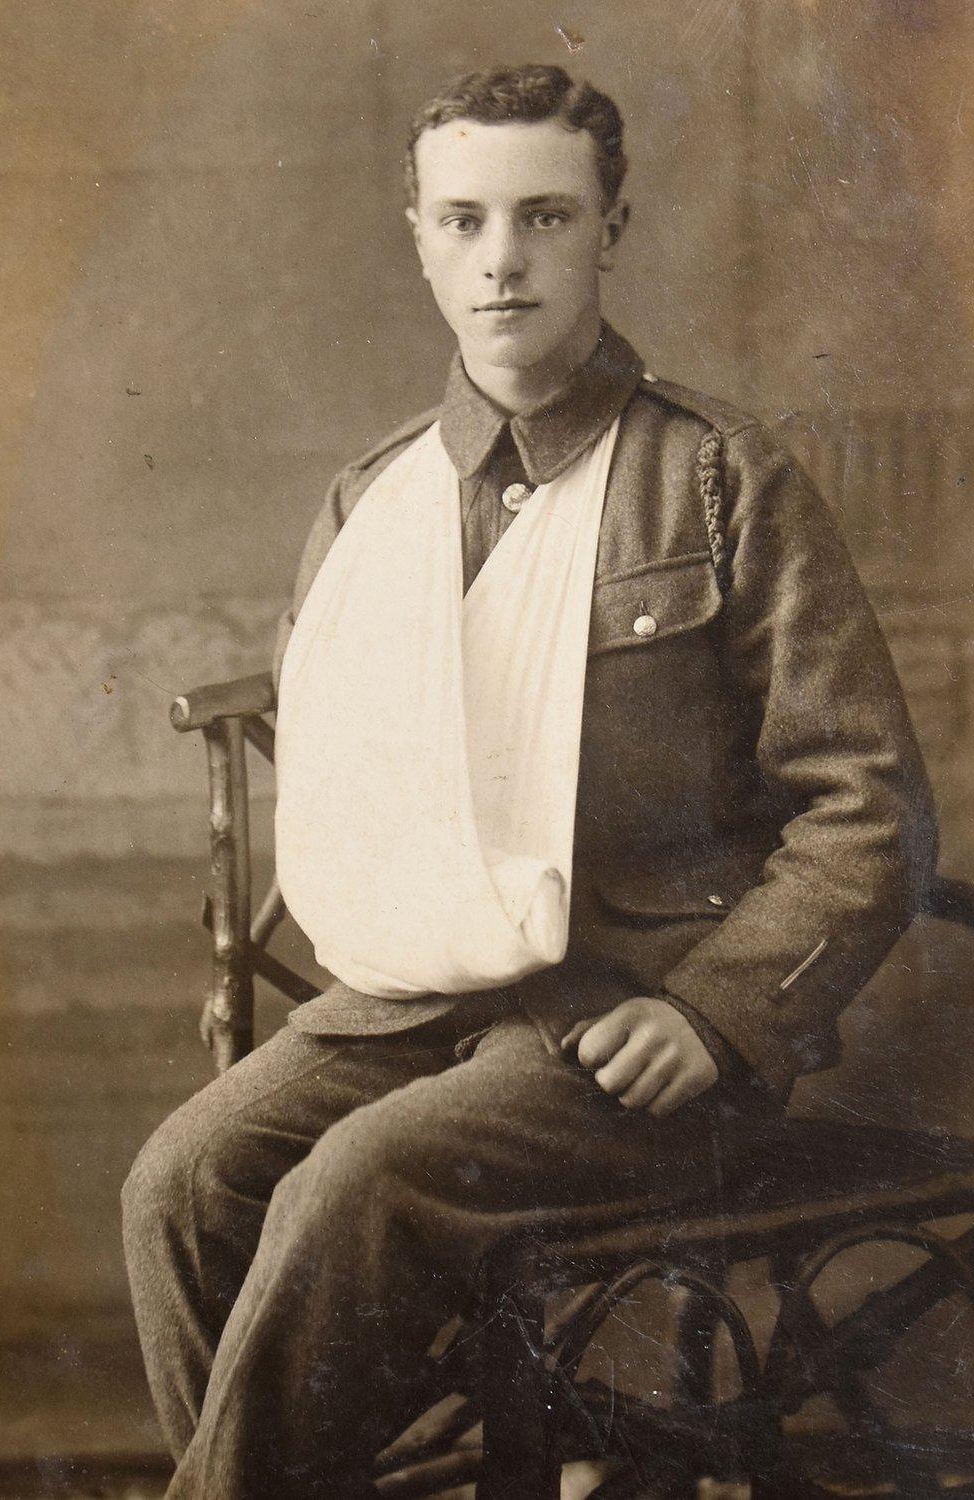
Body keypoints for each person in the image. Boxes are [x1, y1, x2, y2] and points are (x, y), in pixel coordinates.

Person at [122, 64, 937, 1499]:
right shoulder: (369, 503)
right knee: (182, 1186)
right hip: (411, 1012)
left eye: (546, 217)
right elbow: (351, 788)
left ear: (610, 229)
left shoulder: (716, 481)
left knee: (352, 1190)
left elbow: (866, 805)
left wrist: (719, 1011)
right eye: (467, 220)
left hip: (631, 1029)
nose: (504, 261)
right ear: (421, 236)